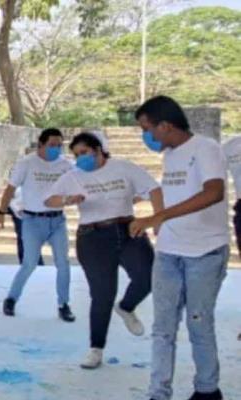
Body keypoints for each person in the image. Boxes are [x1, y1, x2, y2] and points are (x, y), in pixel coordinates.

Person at [128, 96, 230, 400]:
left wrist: (158, 216)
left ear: (166, 125)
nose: (146, 136)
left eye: (147, 129)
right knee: (163, 328)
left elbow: (214, 192)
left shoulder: (206, 148)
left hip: (205, 252)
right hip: (170, 252)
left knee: (199, 323)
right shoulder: (169, 155)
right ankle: (158, 392)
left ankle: (207, 390)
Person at [45, 132, 162, 369]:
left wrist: (158, 220)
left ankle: (127, 306)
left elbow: (154, 189)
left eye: (85, 153)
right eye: (76, 155)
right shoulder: (73, 176)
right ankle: (96, 348)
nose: (80, 159)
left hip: (128, 229)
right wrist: (67, 200)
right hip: (93, 237)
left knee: (150, 276)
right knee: (102, 295)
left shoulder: (123, 167)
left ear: (98, 150)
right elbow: (49, 199)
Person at [0, 128, 75, 322]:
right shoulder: (27, 163)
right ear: (41, 144)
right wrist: (1, 211)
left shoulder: (66, 165)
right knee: (29, 263)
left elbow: (81, 182)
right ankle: (11, 298)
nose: (56, 149)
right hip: (32, 221)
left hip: (57, 221)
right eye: (52, 145)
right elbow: (10, 188)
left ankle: (63, 304)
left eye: (59, 145)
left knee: (63, 263)